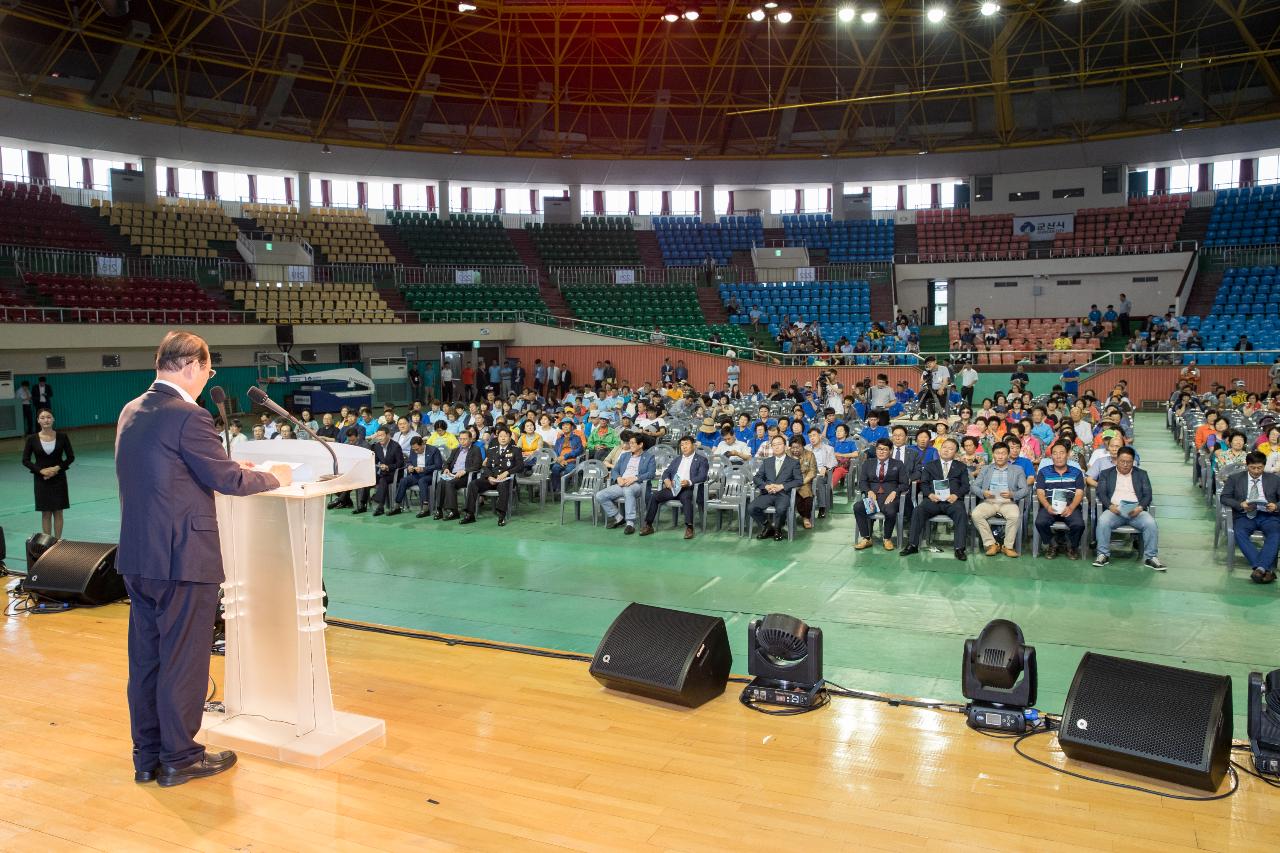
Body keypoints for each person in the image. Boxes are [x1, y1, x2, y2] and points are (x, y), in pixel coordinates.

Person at [115, 331, 288, 787]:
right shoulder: (188, 415)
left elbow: (171, 474)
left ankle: (148, 756)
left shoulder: (131, 410)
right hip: (182, 557)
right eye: (208, 371)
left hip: (138, 555)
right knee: (184, 660)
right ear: (192, 366)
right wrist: (272, 476)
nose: (205, 379)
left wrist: (232, 469)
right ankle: (182, 758)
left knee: (148, 661)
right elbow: (226, 480)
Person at [1091, 447, 1165, 570]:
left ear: (1133, 462)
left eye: (1128, 462)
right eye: (1122, 461)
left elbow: (1148, 494)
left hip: (1136, 511)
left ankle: (1151, 557)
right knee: (1103, 521)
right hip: (1115, 510)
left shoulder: (1141, 474)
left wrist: (1140, 508)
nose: (1125, 465)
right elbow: (1101, 493)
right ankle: (1103, 555)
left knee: (1150, 523)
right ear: (1116, 460)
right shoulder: (1106, 473)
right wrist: (1110, 506)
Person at [900, 438, 970, 560]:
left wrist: (956, 495)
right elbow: (924, 483)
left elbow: (965, 486)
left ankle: (959, 548)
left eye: (951, 449)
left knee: (961, 512)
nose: (946, 450)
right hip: (933, 500)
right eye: (945, 447)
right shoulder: (930, 465)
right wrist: (930, 494)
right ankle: (912, 545)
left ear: (956, 453)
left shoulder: (961, 467)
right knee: (918, 510)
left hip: (952, 501)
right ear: (940, 449)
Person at [1219, 451, 1280, 584]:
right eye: (1253, 468)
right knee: (1239, 532)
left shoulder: (1274, 479)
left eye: (1260, 468)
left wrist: (1276, 506)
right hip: (1245, 515)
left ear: (1264, 466)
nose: (1257, 471)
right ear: (1247, 465)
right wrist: (1240, 504)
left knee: (1275, 533)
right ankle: (1265, 569)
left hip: (1268, 515)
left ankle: (1259, 568)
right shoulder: (1235, 478)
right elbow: (1224, 497)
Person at [22, 408, 75, 538]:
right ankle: (48, 543)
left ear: (53, 419)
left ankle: (57, 541)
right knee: (45, 513)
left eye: (49, 417)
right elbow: (25, 460)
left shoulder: (62, 437)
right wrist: (41, 471)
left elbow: (70, 457)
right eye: (43, 417)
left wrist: (57, 468)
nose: (46, 420)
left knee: (58, 512)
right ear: (38, 420)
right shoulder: (32, 439)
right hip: (41, 480)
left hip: (59, 479)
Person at [642, 436, 708, 539]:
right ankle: (649, 525)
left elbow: (703, 476)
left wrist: (689, 482)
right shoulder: (677, 459)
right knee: (654, 496)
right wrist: (666, 480)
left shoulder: (701, 460)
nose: (684, 447)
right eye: (682, 445)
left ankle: (689, 527)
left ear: (693, 445)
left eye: (686, 444)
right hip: (673, 487)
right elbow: (666, 472)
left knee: (686, 498)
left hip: (688, 488)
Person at [970, 443, 1028, 557]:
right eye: (997, 453)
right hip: (990, 501)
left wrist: (1013, 494)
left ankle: (1007, 546)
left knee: (1015, 516)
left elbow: (1025, 489)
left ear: (1008, 455)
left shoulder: (1017, 469)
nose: (1000, 456)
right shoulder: (986, 469)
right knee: (976, 514)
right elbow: (974, 486)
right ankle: (992, 544)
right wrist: (983, 493)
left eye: (1003, 453)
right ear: (993, 454)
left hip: (1008, 502)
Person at [1034, 440, 1086, 559]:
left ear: (1067, 455)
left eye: (1062, 453)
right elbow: (1040, 492)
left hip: (1070, 506)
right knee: (1040, 522)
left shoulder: (1076, 472)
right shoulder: (1044, 472)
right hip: (1050, 505)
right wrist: (1047, 506)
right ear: (1051, 456)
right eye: (1055, 453)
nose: (1058, 456)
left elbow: (1079, 493)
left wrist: (1071, 507)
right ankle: (1053, 543)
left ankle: (1071, 545)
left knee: (1079, 524)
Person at [463, 425, 521, 525]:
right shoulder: (492, 450)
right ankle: (469, 514)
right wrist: (489, 476)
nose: (502, 438)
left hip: (506, 479)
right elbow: (486, 466)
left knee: (503, 486)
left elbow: (520, 466)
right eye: (500, 436)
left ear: (510, 438)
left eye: (505, 436)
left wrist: (507, 472)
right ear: (497, 438)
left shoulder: (516, 450)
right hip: (491, 478)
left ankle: (501, 515)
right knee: (473, 484)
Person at [597, 433, 654, 534]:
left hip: (638, 485)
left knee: (628, 490)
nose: (630, 445)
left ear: (640, 445)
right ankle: (619, 518)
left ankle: (630, 523)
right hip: (622, 483)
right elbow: (615, 470)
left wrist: (635, 478)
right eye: (629, 443)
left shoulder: (649, 457)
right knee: (600, 495)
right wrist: (618, 478)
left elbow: (651, 474)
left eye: (632, 443)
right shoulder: (624, 456)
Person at [854, 438, 904, 550]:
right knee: (858, 507)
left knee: (891, 511)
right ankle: (867, 538)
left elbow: (904, 483)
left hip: (889, 498)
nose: (881, 451)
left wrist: (895, 492)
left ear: (890, 451)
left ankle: (887, 539)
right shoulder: (868, 463)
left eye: (885, 449)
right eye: (879, 449)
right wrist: (868, 491)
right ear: (876, 450)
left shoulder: (898, 464)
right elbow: (862, 482)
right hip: (873, 499)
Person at [749, 435, 802, 541]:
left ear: (786, 446)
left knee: (781, 509)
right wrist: (766, 486)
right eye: (774, 445)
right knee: (751, 508)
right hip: (768, 493)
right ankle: (768, 526)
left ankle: (778, 529)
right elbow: (757, 477)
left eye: (779, 444)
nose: (776, 447)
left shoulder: (793, 462)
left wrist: (782, 486)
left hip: (783, 494)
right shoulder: (767, 461)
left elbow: (799, 480)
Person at [389, 436, 442, 518]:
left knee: (422, 481)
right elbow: (409, 461)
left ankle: (425, 508)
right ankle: (397, 506)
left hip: (429, 475)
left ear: (423, 444)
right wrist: (409, 466)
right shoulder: (413, 450)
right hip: (416, 474)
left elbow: (438, 465)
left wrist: (423, 469)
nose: (416, 451)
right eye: (414, 449)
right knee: (403, 481)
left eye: (417, 449)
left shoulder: (434, 450)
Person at [434, 429, 482, 519]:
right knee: (441, 482)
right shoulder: (456, 450)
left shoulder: (476, 449)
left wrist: (465, 470)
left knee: (449, 483)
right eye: (460, 439)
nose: (462, 441)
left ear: (471, 439)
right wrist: (446, 469)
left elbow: (477, 465)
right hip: (453, 474)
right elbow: (447, 462)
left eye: (465, 439)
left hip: (466, 475)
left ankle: (454, 511)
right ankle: (439, 509)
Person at [368, 426, 404, 516]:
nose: (379, 437)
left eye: (381, 435)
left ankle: (380, 505)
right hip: (383, 472)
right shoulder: (376, 446)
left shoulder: (395, 446)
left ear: (388, 435)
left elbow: (400, 464)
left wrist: (388, 467)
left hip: (395, 473)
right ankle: (362, 504)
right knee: (367, 478)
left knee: (382, 480)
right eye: (378, 435)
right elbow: (375, 461)